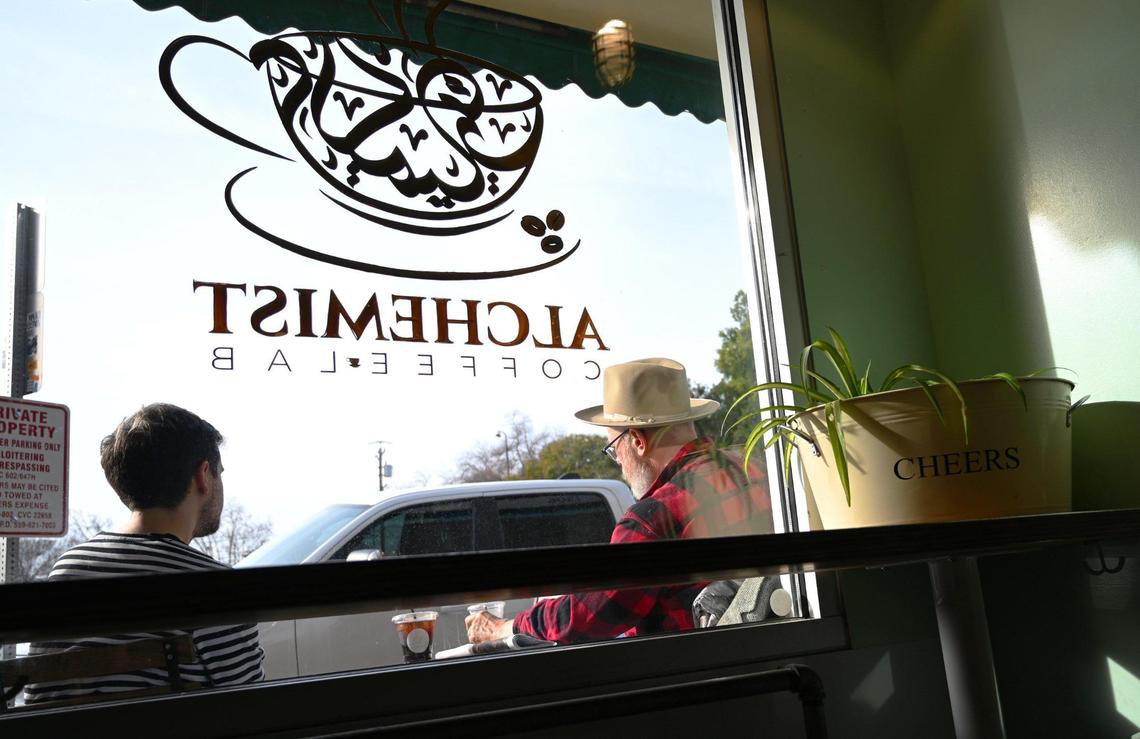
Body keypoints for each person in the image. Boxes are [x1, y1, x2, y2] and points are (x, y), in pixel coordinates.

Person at [466, 357, 773, 645]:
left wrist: (504, 627)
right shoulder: (753, 468)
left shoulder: (653, 518)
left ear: (638, 441)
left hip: (698, 680)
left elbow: (587, 616)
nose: (618, 462)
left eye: (613, 448)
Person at [24, 403, 264, 704]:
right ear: (204, 475)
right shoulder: (218, 589)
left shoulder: (69, 568)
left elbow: (38, 699)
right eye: (220, 473)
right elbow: (252, 709)